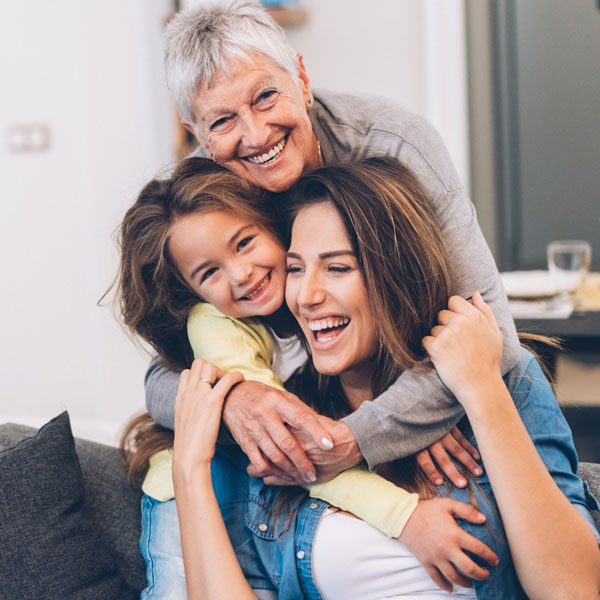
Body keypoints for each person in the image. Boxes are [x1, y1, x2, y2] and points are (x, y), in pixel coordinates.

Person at [121, 157, 600, 599]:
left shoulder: (502, 384)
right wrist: (190, 468)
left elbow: (576, 590)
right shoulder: (289, 426)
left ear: (395, 274)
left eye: (338, 267)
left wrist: (480, 391)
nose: (306, 295)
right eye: (295, 268)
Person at [145, 0, 522, 490]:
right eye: (222, 122)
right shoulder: (200, 200)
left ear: (301, 79)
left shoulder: (394, 145)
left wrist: (366, 432)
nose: (256, 135)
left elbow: (495, 339)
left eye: (264, 96)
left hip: (421, 410)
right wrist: (234, 400)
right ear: (198, 136)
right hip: (309, 422)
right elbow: (159, 379)